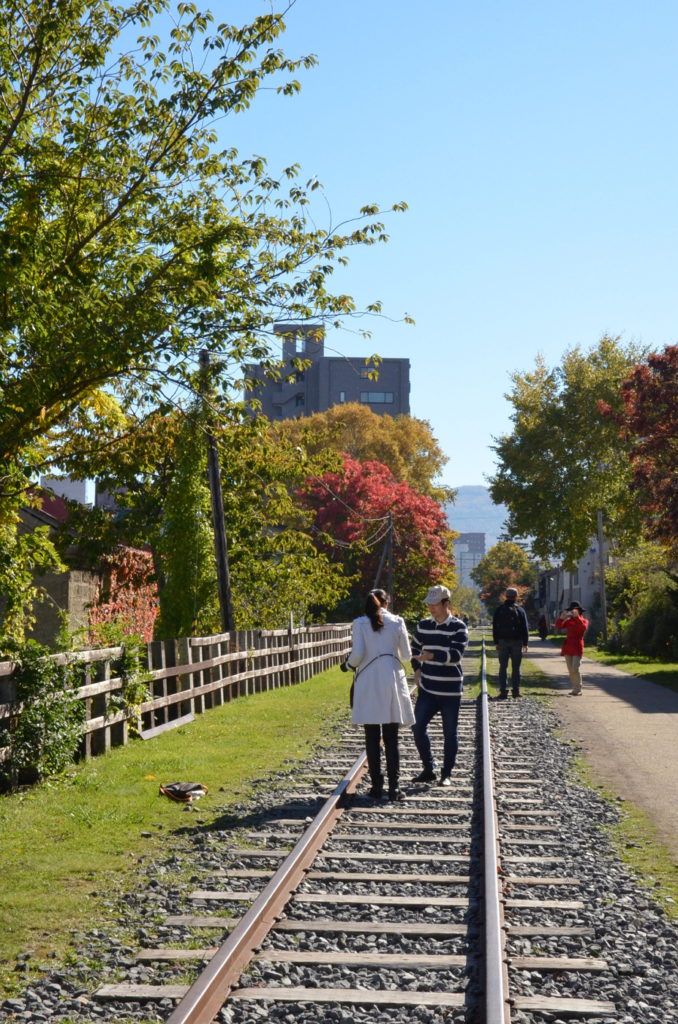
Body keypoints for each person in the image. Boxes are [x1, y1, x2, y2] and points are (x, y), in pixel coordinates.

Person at [342, 589, 414, 801]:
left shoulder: (360, 623)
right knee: (392, 738)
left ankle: (376, 787)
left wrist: (347, 666)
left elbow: (358, 654)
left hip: (369, 681)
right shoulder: (398, 621)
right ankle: (394, 787)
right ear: (386, 603)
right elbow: (407, 655)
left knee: (371, 738)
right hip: (392, 680)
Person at [410, 584, 469, 787]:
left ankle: (447, 774)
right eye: (429, 603)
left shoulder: (459, 627)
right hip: (428, 688)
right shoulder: (423, 625)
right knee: (417, 727)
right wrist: (417, 668)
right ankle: (428, 769)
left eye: (435, 604)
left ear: (446, 603)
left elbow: (456, 656)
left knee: (450, 733)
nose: (431, 608)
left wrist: (432, 655)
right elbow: (414, 648)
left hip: (450, 690)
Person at [492, 586, 529, 698]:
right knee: (516, 667)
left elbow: (495, 627)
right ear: (516, 597)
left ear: (505, 596)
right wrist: (525, 643)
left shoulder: (499, 609)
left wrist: (496, 642)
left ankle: (503, 691)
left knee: (503, 667)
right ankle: (516, 691)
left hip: (502, 641)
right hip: (517, 642)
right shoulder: (520, 610)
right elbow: (525, 627)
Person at [555, 601, 589, 695]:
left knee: (575, 668)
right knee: (570, 670)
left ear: (579, 611)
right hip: (568, 646)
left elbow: (582, 628)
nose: (573, 612)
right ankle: (575, 688)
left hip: (577, 646)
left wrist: (577, 617)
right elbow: (559, 626)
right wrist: (562, 617)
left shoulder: (584, 620)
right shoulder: (568, 620)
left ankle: (578, 689)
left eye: (574, 611)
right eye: (572, 611)